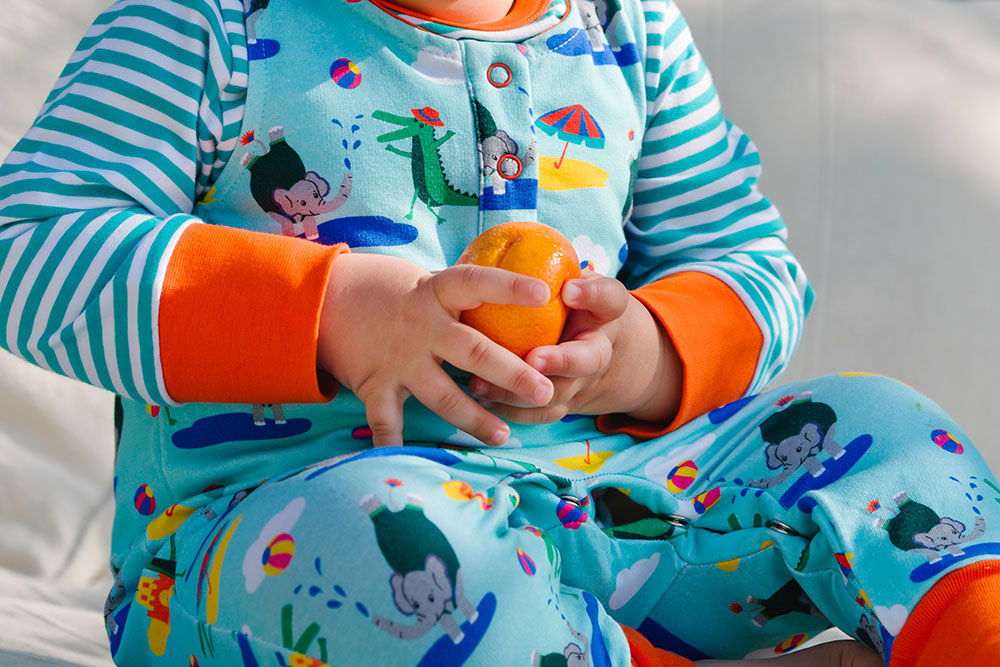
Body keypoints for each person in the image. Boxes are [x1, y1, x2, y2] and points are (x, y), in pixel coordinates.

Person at [0, 0, 996, 665]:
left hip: (616, 510)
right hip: (285, 545)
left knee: (880, 428)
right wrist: (337, 313)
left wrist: (641, 353)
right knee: (384, 535)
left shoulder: (622, 26)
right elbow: (37, 248)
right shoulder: (209, 24)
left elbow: (746, 258)